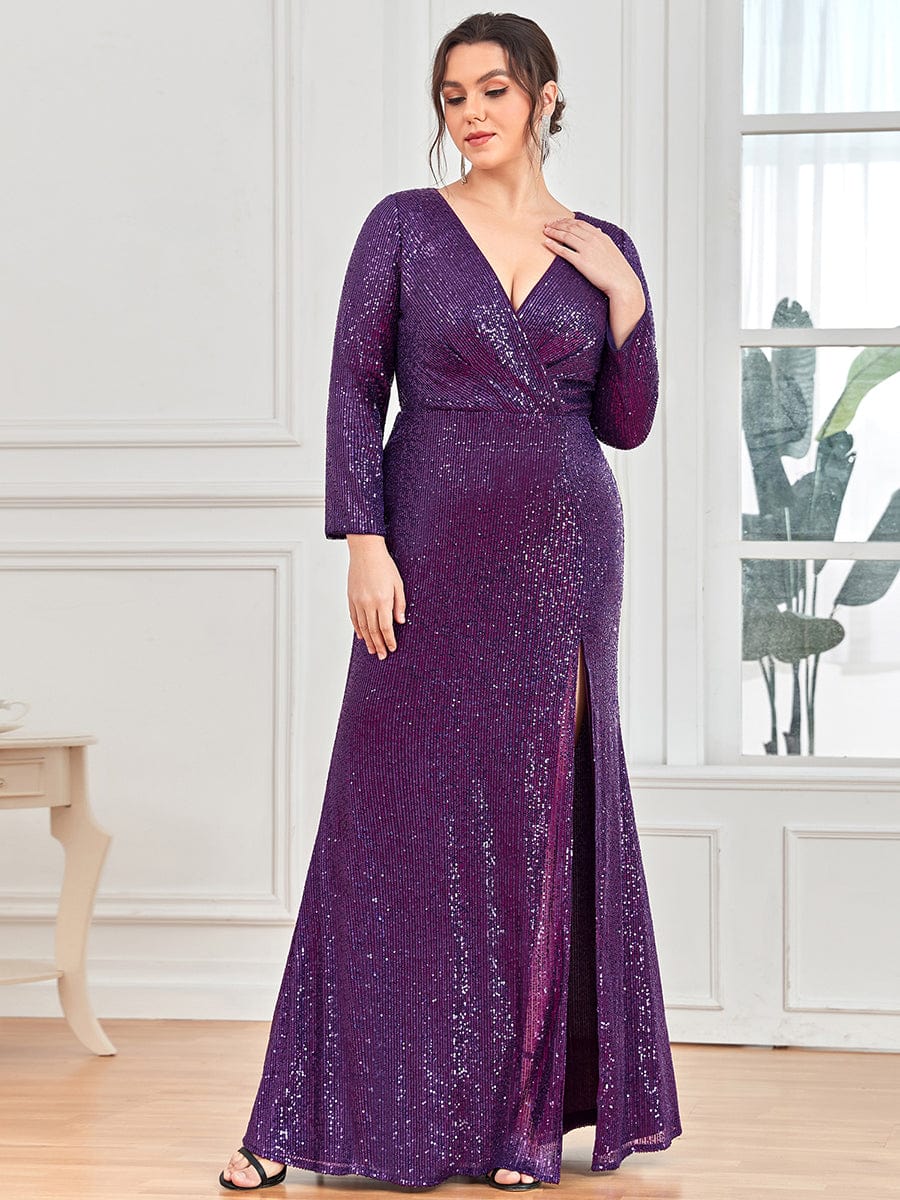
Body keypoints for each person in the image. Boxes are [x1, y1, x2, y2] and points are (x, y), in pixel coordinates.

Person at [219, 11, 681, 1193]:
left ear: (543, 96)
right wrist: (363, 542)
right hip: (424, 542)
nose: (471, 113)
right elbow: (351, 387)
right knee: (380, 817)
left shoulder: (603, 245)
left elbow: (626, 425)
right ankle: (294, 1122)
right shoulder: (404, 226)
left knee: (540, 818)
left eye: (493, 90)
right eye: (453, 95)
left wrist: (626, 300)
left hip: (567, 554)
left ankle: (520, 1124)